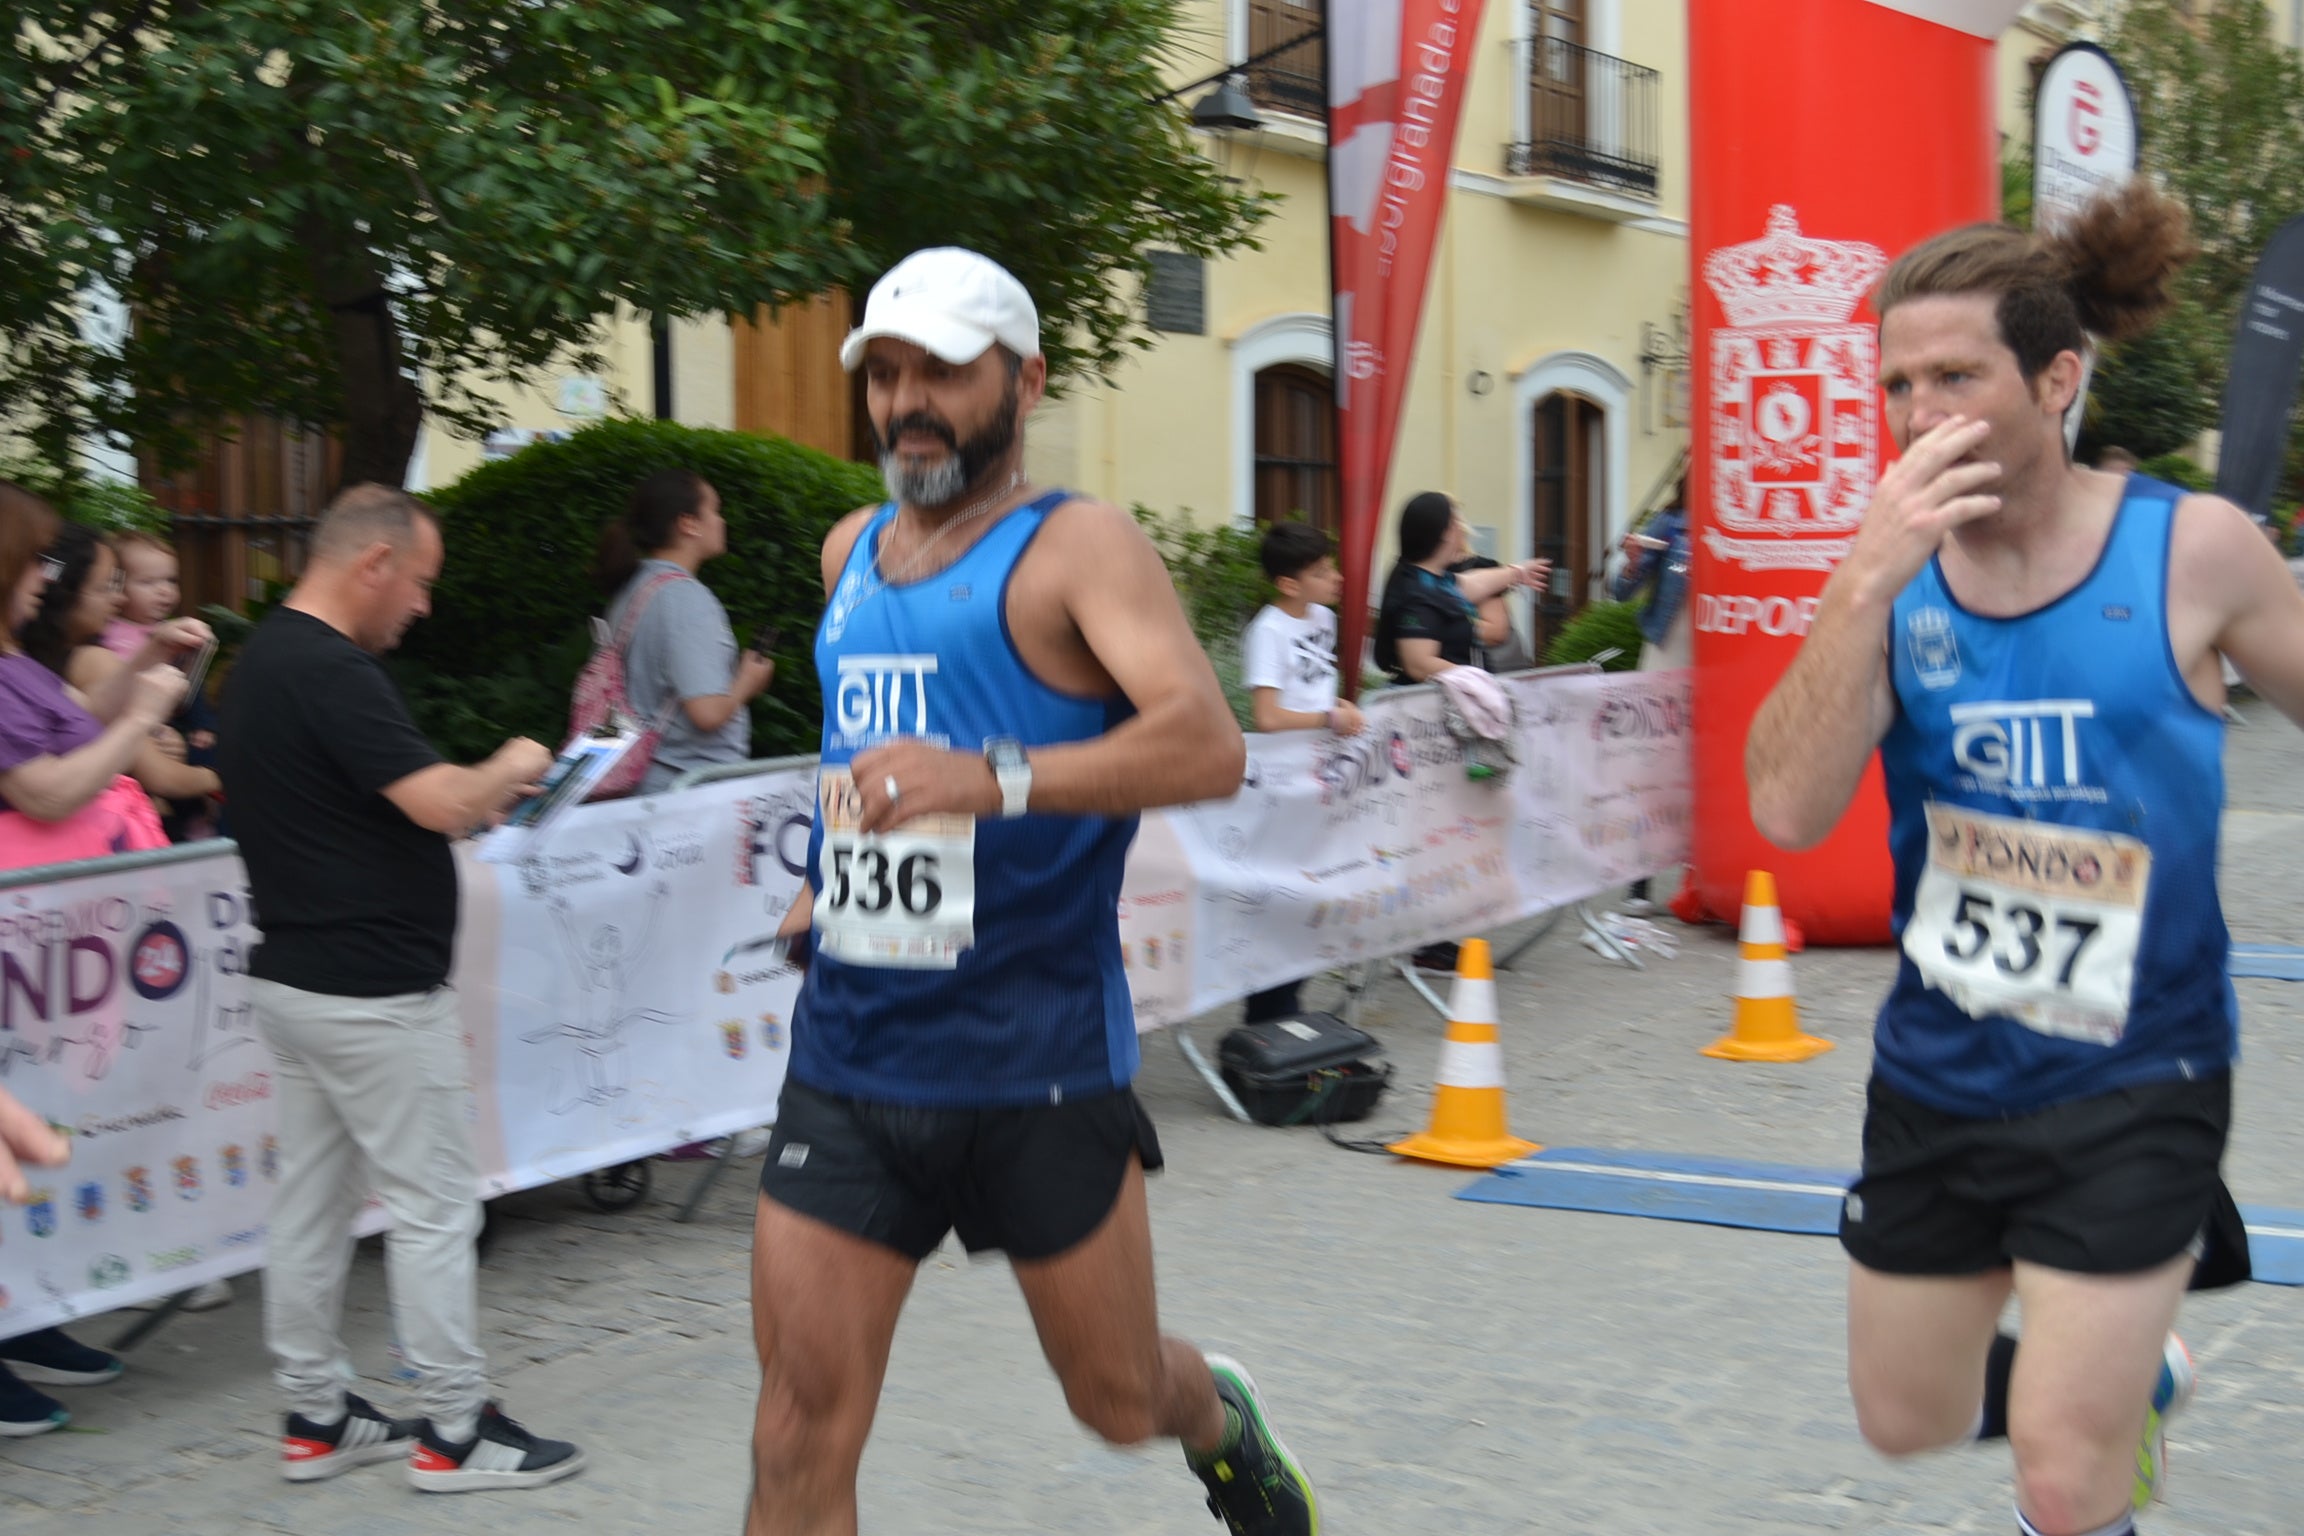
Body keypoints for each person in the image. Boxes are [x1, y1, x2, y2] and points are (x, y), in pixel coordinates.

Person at [1746, 183, 2304, 1536]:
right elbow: (1785, 810)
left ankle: (2094, 1426)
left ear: (2057, 378)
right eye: (1896, 383)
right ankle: (2129, 1387)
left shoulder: (2194, 550)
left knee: (2058, 1478)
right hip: (1940, 1072)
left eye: (1956, 374)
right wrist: (1862, 585)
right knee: (1906, 1418)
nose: (1920, 411)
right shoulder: (1895, 580)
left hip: (2139, 1073)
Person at [745, 247, 1315, 1536]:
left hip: (1035, 1063)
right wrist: (825, 887)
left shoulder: (1077, 548)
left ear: (1024, 379)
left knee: (1114, 1396)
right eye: (886, 374)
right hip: (852, 1059)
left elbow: (1208, 745)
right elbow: (870, 759)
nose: (909, 401)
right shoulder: (849, 554)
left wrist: (992, 781)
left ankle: (1216, 1416)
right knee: (795, 1433)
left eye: (943, 370)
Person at [217, 484, 581, 1491]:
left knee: (309, 1208)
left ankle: (316, 1413)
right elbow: (444, 803)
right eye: (418, 583)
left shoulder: (253, 666)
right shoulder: (332, 672)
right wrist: (516, 761)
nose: (420, 607)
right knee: (432, 1210)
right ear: (372, 564)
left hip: (298, 981)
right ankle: (457, 1431)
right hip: (373, 994)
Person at [0, 482, 204, 1436]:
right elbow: (44, 790)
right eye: (38, 559)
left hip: (56, 958)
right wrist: (140, 719)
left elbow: (81, 720)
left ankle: (25, 1318)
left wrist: (150, 667)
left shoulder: (19, 663)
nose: (50, 576)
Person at [1238, 519, 1365, 1024]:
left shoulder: (1323, 620)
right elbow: (1266, 717)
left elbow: (1310, 690)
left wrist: (1331, 707)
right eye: (1320, 571)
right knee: (1282, 896)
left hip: (1321, 779)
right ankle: (1268, 1017)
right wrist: (1328, 717)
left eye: (1331, 567)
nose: (1334, 578)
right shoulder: (1267, 632)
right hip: (1282, 785)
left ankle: (1293, 1005)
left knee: (1312, 892)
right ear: (1288, 584)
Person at [22, 524, 222, 839]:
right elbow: (161, 774)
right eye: (105, 587)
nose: (118, 598)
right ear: (67, 596)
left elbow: (97, 708)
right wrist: (222, 777)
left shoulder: (30, 662)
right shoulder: (93, 660)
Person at [594, 468, 776, 795]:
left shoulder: (632, 590)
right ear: (688, 523)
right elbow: (706, 712)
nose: (721, 521)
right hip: (684, 798)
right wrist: (747, 681)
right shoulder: (686, 599)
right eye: (714, 511)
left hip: (636, 786)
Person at [1608, 480, 1692, 915]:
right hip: (1667, 654)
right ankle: (1639, 882)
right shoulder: (1671, 522)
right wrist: (1631, 564)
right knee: (1653, 764)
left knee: (1707, 770)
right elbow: (1620, 591)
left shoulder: (1742, 523)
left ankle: (1701, 881)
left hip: (1721, 660)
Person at [1372, 492, 1549, 684]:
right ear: (1445, 533)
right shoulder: (1416, 592)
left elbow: (1474, 584)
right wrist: (1484, 683)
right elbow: (1419, 665)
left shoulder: (1433, 579)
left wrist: (1517, 573)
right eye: (1456, 522)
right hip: (1431, 708)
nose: (1463, 529)